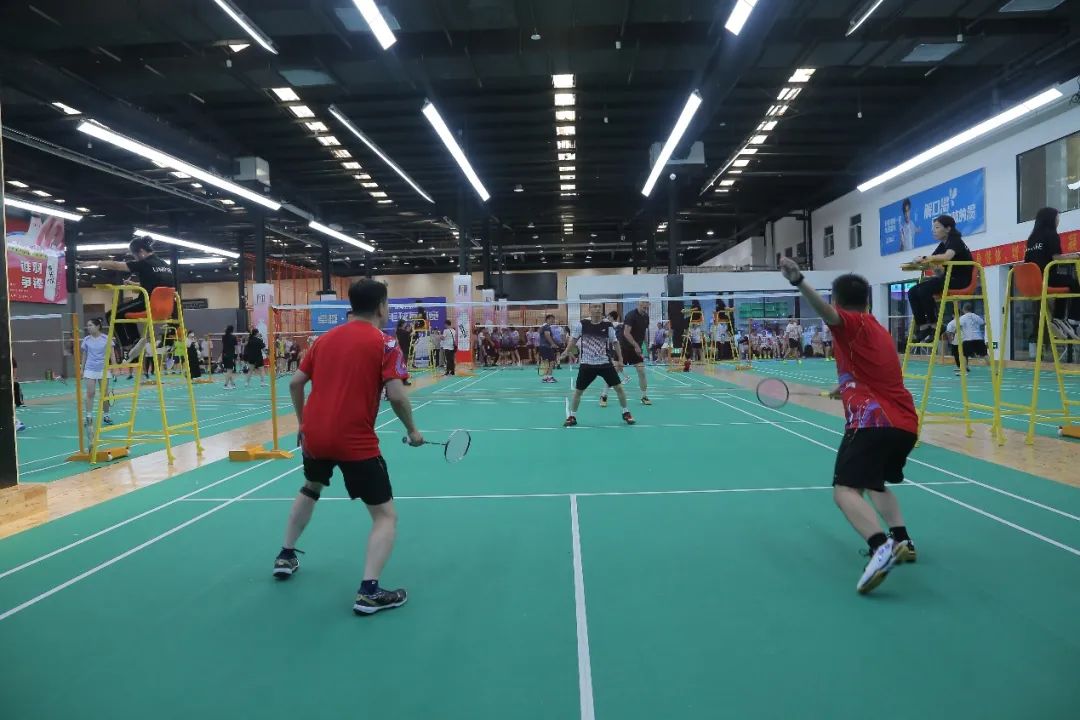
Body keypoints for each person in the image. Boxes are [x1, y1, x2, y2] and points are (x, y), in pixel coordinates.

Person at [272, 279, 422, 616]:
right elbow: (397, 396)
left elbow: (295, 383)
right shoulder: (386, 343)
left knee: (311, 486)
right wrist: (413, 430)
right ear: (381, 306)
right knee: (385, 516)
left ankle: (285, 554)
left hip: (315, 435)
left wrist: (303, 424)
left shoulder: (323, 340)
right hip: (355, 440)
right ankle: (369, 592)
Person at [779, 256, 919, 595]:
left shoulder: (850, 323)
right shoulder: (878, 330)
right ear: (868, 300)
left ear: (838, 301)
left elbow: (831, 316)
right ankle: (903, 540)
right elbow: (874, 373)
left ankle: (880, 547)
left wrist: (798, 281)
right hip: (904, 424)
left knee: (845, 491)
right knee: (875, 483)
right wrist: (843, 386)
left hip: (872, 422)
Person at [92, 235, 175, 359]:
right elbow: (156, 287)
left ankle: (127, 347)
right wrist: (134, 284)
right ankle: (136, 342)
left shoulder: (145, 263)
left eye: (134, 256)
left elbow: (116, 265)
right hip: (166, 308)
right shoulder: (164, 264)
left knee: (111, 314)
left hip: (147, 303)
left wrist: (95, 263)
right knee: (125, 313)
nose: (135, 259)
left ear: (141, 252)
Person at [560, 304, 635, 427]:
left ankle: (626, 412)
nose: (597, 309)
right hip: (587, 364)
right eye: (594, 307)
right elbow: (573, 340)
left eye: (599, 307)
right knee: (578, 392)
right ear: (590, 310)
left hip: (604, 363)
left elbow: (615, 342)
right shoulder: (582, 324)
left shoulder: (607, 325)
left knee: (619, 388)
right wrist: (566, 351)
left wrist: (621, 359)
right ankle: (572, 416)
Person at [907, 215, 974, 343]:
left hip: (960, 280)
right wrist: (923, 262)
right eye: (933, 228)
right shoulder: (943, 244)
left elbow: (947, 257)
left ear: (948, 229)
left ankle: (935, 325)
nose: (933, 230)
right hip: (948, 278)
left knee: (924, 290)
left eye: (937, 227)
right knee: (912, 292)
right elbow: (936, 266)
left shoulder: (955, 241)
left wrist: (928, 258)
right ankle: (923, 327)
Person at [1024, 206, 1080, 339]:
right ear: (1050, 219)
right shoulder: (1051, 235)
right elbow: (1056, 258)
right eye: (1057, 218)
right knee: (1073, 283)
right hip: (1046, 278)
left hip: (1031, 283)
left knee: (1064, 283)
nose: (1058, 221)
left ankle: (1059, 319)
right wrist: (1076, 256)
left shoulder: (1032, 239)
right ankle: (1073, 320)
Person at [601, 300, 651, 406]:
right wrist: (636, 346)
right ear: (639, 305)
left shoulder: (646, 317)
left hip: (635, 349)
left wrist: (646, 346)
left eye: (647, 308)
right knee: (614, 371)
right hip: (623, 347)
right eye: (643, 307)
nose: (645, 310)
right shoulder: (631, 315)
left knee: (641, 371)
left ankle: (644, 396)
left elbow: (643, 333)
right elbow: (626, 333)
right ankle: (604, 395)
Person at [81, 318, 112, 425]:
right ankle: (89, 417)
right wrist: (82, 369)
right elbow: (85, 355)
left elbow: (111, 353)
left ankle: (106, 415)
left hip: (103, 369)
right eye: (87, 325)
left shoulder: (106, 338)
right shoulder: (86, 339)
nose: (88, 327)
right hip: (90, 369)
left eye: (90, 325)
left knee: (105, 394)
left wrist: (115, 368)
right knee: (90, 393)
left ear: (98, 326)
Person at [538, 314, 560, 383]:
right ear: (547, 319)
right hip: (546, 346)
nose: (553, 320)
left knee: (547, 362)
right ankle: (549, 377)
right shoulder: (547, 327)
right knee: (552, 361)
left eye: (554, 319)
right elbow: (547, 335)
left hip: (542, 346)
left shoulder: (543, 327)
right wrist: (553, 344)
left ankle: (545, 377)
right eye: (552, 319)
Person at [221, 325, 238, 390]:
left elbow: (224, 346)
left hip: (224, 355)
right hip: (230, 355)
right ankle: (225, 385)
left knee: (229, 371)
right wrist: (238, 355)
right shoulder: (233, 337)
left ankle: (233, 384)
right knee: (229, 371)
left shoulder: (223, 337)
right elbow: (236, 347)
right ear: (232, 330)